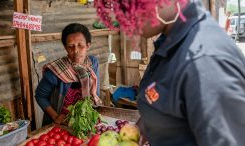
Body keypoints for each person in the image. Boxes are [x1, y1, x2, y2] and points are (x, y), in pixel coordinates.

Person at [95, 0, 245, 146]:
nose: (123, 20)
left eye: (129, 6)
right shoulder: (171, 39)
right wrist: (139, 131)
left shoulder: (205, 62)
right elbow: (167, 102)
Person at [35, 23, 102, 126]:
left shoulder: (92, 63)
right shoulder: (55, 71)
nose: (75, 51)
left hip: (84, 121)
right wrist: (55, 116)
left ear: (88, 45)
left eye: (80, 45)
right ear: (66, 48)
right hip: (62, 123)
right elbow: (40, 96)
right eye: (71, 46)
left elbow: (94, 90)